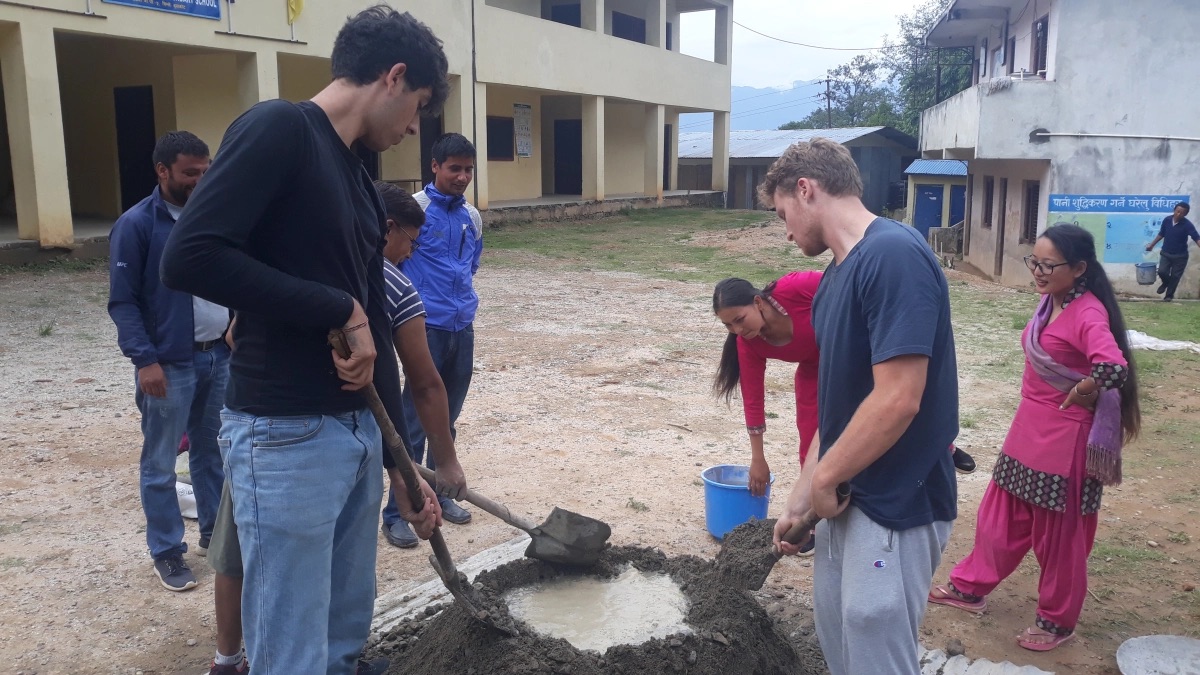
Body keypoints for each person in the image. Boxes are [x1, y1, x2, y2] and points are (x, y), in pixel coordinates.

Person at [161, 7, 449, 674]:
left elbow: (372, 319)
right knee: (290, 649)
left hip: (352, 432)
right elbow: (191, 256)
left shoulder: (354, 172)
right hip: (284, 432)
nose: (412, 128)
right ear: (394, 76)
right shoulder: (279, 128)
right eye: (418, 107)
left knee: (342, 630)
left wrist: (398, 465)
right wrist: (333, 306)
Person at [762, 138, 959, 675]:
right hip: (846, 499)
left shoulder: (893, 255)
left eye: (783, 214)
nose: (786, 231)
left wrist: (825, 480)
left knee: (876, 647)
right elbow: (838, 412)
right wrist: (801, 501)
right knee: (840, 639)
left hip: (898, 501)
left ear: (806, 189)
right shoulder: (832, 281)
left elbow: (899, 398)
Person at [930, 223, 1140, 652]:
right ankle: (970, 588)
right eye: (1035, 262)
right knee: (1000, 516)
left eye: (1049, 265)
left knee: (1060, 537)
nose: (1038, 272)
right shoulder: (1052, 303)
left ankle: (1057, 622)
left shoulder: (1088, 313)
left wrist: (1082, 391)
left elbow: (1114, 368)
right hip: (1028, 429)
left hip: (1065, 443)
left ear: (1079, 268)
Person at [108, 130, 229, 593]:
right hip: (169, 366)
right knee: (160, 464)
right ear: (163, 171)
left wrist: (234, 323)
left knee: (212, 452)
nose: (200, 180)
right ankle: (167, 551)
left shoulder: (213, 217)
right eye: (190, 173)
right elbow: (124, 303)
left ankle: (214, 536)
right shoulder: (138, 225)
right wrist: (145, 361)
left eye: (205, 171)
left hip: (218, 355)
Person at [381, 132, 482, 530]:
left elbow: (471, 266)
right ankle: (397, 512)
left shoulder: (471, 216)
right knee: (412, 419)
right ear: (435, 167)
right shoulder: (415, 211)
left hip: (462, 325)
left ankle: (442, 493)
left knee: (447, 416)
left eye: (468, 170)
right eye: (454, 168)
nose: (461, 177)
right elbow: (393, 264)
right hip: (424, 327)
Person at [1145, 202, 1198, 301]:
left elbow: (1196, 237)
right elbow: (1161, 234)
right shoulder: (1167, 220)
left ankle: (1169, 296)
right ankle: (1165, 282)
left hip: (1180, 256)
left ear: (1185, 214)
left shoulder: (1187, 225)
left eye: (1182, 213)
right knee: (1162, 271)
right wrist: (1152, 245)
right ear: (1174, 210)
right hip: (1166, 253)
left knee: (1175, 276)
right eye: (1177, 211)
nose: (1178, 214)